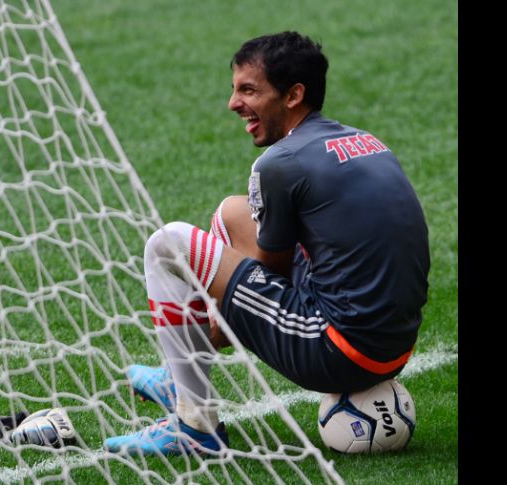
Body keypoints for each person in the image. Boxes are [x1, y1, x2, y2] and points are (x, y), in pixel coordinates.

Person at [103, 31, 430, 456]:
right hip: (395, 346)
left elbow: (269, 272)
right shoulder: (365, 140)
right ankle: (176, 379)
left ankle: (194, 425)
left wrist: (216, 320)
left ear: (294, 95)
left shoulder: (278, 164)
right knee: (231, 213)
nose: (234, 103)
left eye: (249, 90)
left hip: (337, 349)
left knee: (169, 244)